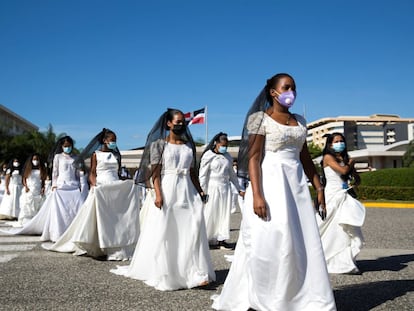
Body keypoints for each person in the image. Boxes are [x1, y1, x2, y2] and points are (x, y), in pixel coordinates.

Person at [212, 73, 336, 310]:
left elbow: (305, 157)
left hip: (296, 185)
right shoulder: (259, 119)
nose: (292, 92)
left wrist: (318, 187)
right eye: (286, 87)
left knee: (301, 240)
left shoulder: (300, 120)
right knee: (273, 239)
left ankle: (300, 295)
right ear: (273, 92)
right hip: (270, 183)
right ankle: (269, 296)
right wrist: (257, 195)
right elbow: (254, 158)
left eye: (294, 88)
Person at [111, 108, 215, 290]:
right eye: (178, 121)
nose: (181, 124)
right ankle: (169, 271)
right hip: (169, 188)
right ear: (168, 123)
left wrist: (200, 191)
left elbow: (192, 173)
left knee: (193, 227)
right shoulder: (158, 145)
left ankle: (195, 271)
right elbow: (155, 173)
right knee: (169, 229)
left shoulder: (188, 146)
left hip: (188, 191)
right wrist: (158, 194)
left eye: (183, 121)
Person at [43, 129, 140, 261]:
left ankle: (115, 243)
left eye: (115, 140)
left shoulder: (116, 155)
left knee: (114, 217)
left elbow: (118, 172)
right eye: (111, 140)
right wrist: (94, 185)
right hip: (101, 186)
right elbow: (92, 173)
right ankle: (100, 244)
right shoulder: (96, 154)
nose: (114, 142)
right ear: (105, 141)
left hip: (114, 186)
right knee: (101, 216)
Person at [0, 136, 86, 242]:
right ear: (62, 146)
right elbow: (55, 172)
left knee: (76, 209)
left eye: (69, 146)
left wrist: (81, 184)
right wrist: (54, 185)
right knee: (60, 211)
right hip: (61, 186)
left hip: (73, 186)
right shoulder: (58, 157)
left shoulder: (76, 158)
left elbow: (78, 173)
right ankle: (59, 233)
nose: (67, 148)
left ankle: (75, 232)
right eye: (65, 146)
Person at [317, 132, 365, 274]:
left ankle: (344, 261)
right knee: (329, 226)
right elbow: (343, 170)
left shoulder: (345, 158)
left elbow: (354, 177)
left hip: (344, 195)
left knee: (345, 227)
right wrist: (350, 163)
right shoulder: (328, 157)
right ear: (330, 144)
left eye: (341, 141)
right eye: (336, 141)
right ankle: (325, 258)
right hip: (332, 195)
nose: (339, 143)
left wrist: (353, 176)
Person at [198, 132, 245, 248]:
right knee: (211, 212)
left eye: (226, 145)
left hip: (225, 187)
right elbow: (203, 175)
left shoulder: (228, 156)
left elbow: (232, 175)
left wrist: (239, 189)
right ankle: (207, 238)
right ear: (216, 144)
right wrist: (202, 190)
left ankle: (221, 238)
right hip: (212, 187)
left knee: (223, 213)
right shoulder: (208, 155)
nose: (225, 147)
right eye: (223, 145)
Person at [17, 153, 48, 225]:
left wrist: (43, 187)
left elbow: (43, 180)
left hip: (38, 188)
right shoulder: (28, 169)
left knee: (39, 204)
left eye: (37, 159)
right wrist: (26, 187)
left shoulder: (41, 169)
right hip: (29, 189)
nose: (35, 161)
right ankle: (27, 220)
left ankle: (37, 221)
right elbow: (24, 178)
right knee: (27, 204)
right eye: (34, 159)